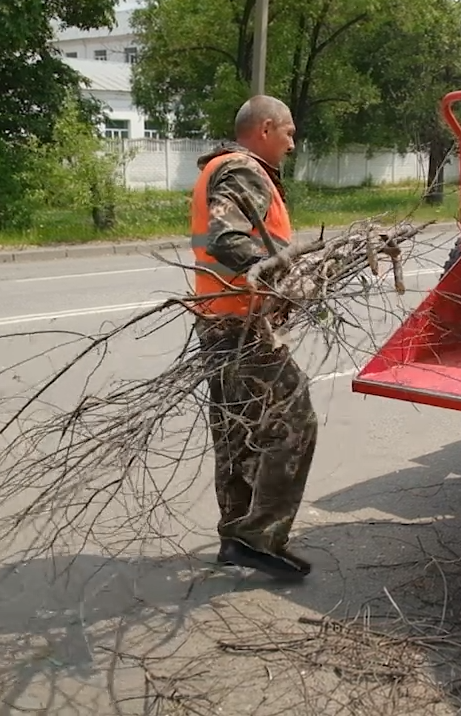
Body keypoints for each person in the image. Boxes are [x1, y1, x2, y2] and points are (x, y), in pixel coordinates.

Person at [188, 95, 318, 582]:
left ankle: (234, 539)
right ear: (265, 128)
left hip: (219, 320)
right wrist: (286, 273)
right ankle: (259, 535)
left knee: (236, 432)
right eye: (287, 132)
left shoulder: (220, 167)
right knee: (295, 418)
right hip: (241, 327)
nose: (291, 142)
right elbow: (227, 238)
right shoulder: (244, 170)